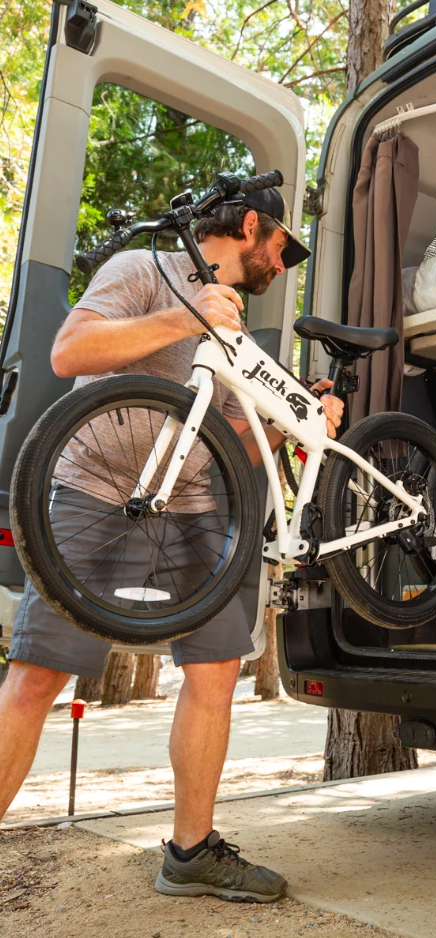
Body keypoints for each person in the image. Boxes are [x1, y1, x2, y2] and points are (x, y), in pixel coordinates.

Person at [0, 186, 344, 903]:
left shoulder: (236, 328)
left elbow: (235, 445)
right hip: (95, 490)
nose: (282, 266)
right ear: (253, 226)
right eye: (284, 249)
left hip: (192, 511)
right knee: (37, 678)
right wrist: (180, 316)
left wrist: (300, 424)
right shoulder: (141, 270)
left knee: (216, 673)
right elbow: (71, 351)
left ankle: (191, 854)